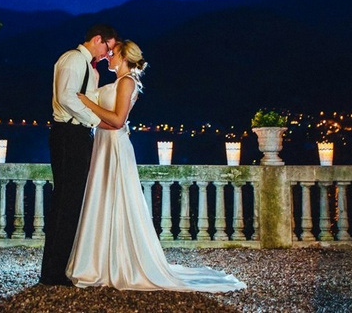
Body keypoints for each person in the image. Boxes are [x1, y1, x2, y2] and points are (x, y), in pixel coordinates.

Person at [66, 40, 247, 292]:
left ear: (125, 58)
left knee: (116, 199)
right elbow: (104, 116)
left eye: (113, 53)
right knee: (102, 199)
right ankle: (99, 260)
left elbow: (118, 120)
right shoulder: (116, 81)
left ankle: (118, 263)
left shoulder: (128, 82)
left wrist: (86, 102)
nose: (109, 56)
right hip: (103, 144)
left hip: (115, 147)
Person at [40, 24, 119, 286]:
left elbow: (82, 98)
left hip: (78, 135)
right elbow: (66, 98)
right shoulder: (73, 59)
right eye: (108, 48)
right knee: (66, 201)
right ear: (97, 40)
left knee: (71, 202)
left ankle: (59, 266)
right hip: (68, 134)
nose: (108, 55)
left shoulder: (89, 68)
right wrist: (95, 121)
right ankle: (52, 271)